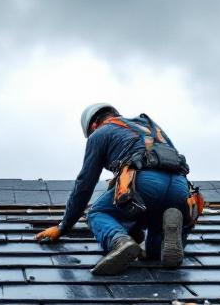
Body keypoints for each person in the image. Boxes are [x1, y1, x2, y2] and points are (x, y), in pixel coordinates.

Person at [35, 103, 191, 276]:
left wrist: (63, 227)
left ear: (93, 125)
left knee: (97, 213)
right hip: (180, 188)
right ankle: (168, 232)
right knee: (155, 253)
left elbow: (84, 185)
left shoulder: (100, 133)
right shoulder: (153, 129)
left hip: (146, 183)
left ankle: (120, 242)